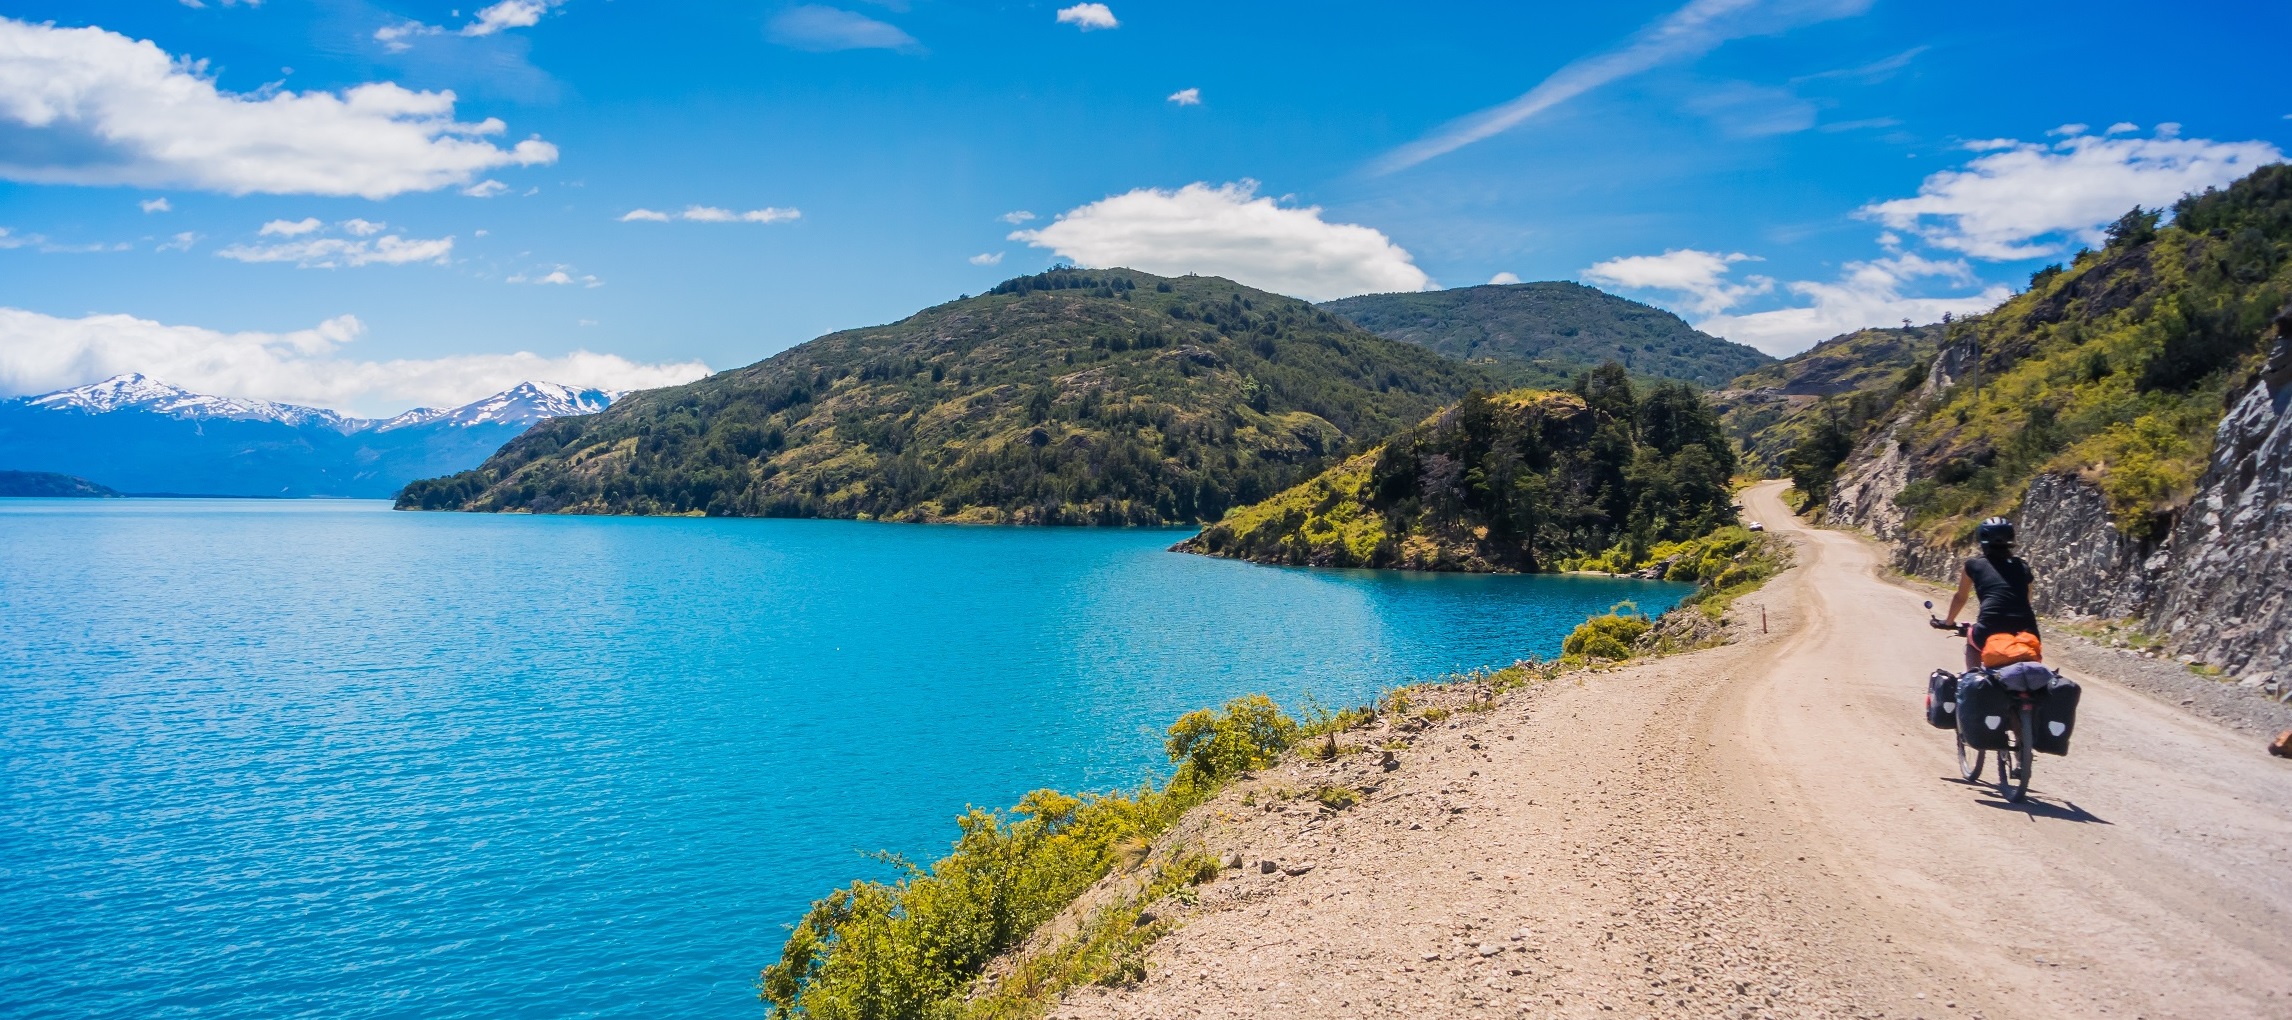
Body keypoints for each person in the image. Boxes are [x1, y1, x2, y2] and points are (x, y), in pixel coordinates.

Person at [1942, 517, 2039, 672]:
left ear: (1982, 538)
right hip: (2027, 631)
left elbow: (1961, 597)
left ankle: (1973, 677)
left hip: (1989, 629)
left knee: (1971, 637)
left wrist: (1949, 622)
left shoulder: (1974, 565)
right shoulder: (2023, 566)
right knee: (2029, 656)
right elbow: (2027, 599)